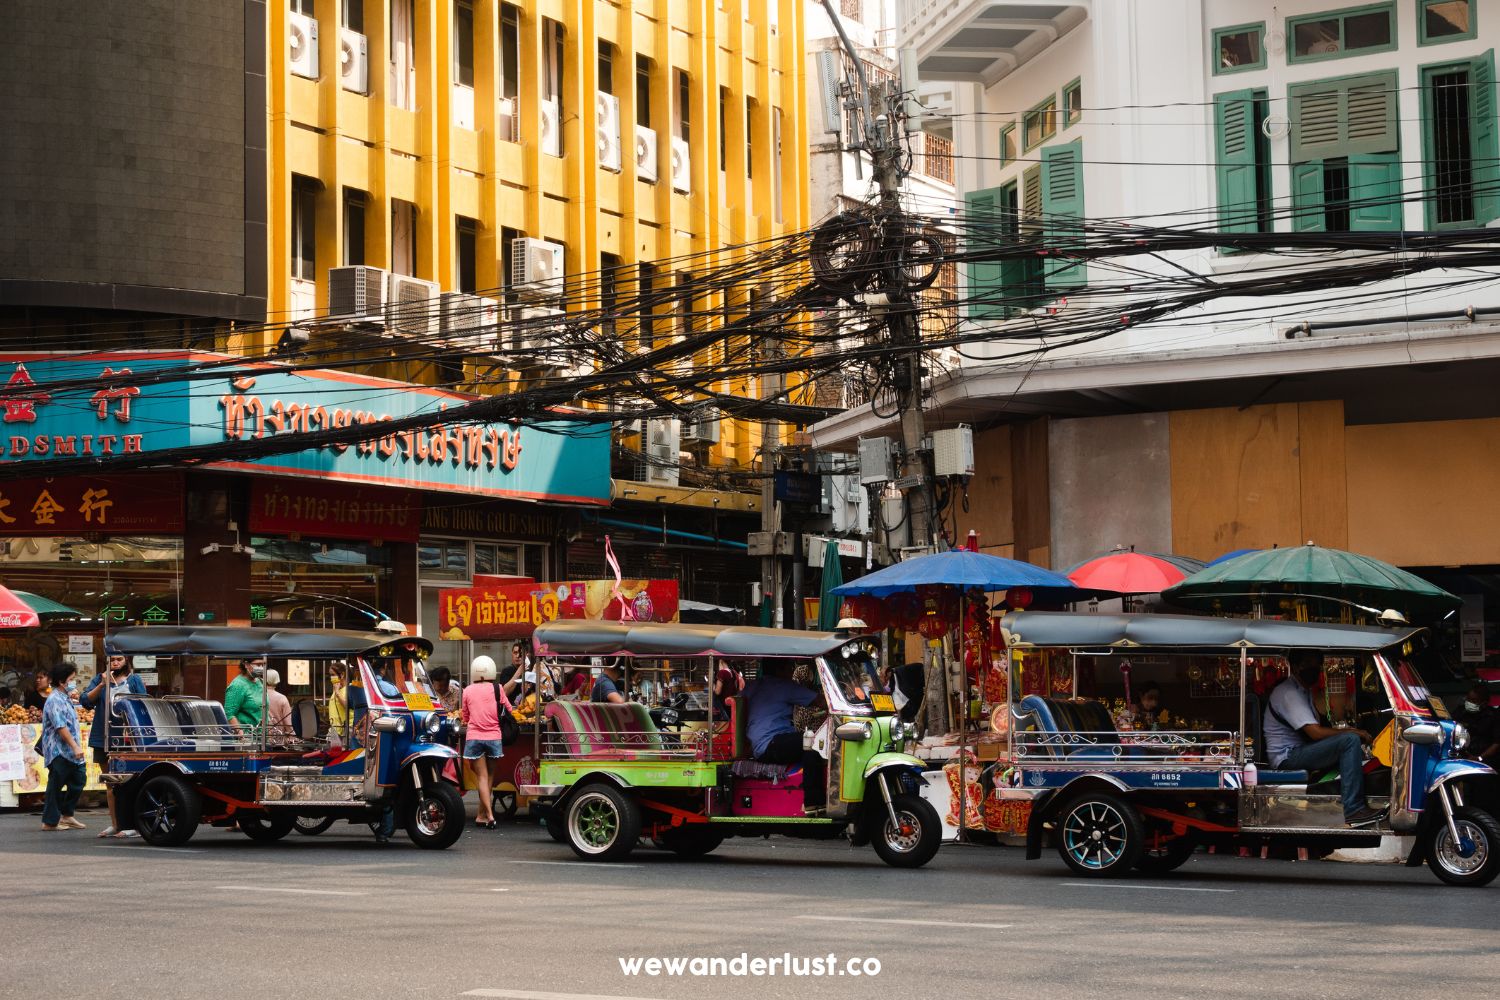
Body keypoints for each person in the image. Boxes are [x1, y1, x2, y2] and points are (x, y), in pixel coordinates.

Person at [1264, 651, 1381, 826]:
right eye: (1307, 664)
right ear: (1295, 667)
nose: (1314, 669)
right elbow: (1315, 733)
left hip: (1298, 751)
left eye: (1317, 665)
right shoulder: (1288, 693)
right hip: (1287, 757)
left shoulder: (1304, 691)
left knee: (1353, 747)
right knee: (1349, 741)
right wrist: (1353, 732)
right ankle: (1354, 809)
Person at [741, 659, 825, 810]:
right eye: (790, 668)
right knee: (813, 741)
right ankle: (814, 801)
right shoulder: (784, 685)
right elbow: (821, 701)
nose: (791, 672)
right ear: (780, 669)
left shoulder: (753, 686)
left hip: (758, 744)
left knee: (806, 740)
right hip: (771, 743)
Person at [80, 655, 146, 838]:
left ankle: (133, 825)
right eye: (112, 660)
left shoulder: (134, 680)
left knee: (129, 782)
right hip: (104, 737)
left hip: (127, 739)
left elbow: (143, 704)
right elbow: (85, 701)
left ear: (127, 661)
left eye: (119, 659)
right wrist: (102, 684)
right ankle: (116, 824)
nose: (115, 663)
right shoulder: (99, 679)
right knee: (111, 783)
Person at [461, 655, 511, 829]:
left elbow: (465, 716)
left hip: (474, 737)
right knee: (489, 777)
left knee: (481, 777)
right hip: (494, 738)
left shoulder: (467, 690)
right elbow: (509, 709)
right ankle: (486, 814)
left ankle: (485, 815)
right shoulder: (498, 688)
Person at [40, 663, 87, 832]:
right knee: (55, 784)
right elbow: (60, 727)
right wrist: (75, 746)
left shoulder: (65, 697)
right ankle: (50, 822)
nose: (74, 682)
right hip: (58, 750)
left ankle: (67, 815)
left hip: (70, 750)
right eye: (71, 679)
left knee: (79, 779)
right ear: (61, 681)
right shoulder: (54, 700)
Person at [1456, 682, 1500, 769]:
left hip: (1484, 764)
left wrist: (1479, 758)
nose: (1469, 703)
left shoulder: (1493, 717)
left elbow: (1497, 743)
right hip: (1459, 759)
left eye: (1474, 701)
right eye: (1468, 699)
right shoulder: (1460, 712)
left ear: (1484, 703)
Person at [224, 656, 266, 735]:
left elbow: (263, 708)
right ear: (246, 664)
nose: (261, 668)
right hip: (248, 739)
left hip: (263, 737)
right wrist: (240, 733)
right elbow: (229, 713)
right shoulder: (237, 685)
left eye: (263, 665)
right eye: (258, 664)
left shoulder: (260, 682)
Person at [326, 663, 351, 746]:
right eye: (330, 675)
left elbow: (347, 706)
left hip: (346, 730)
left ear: (342, 675)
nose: (331, 677)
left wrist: (337, 693)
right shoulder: (336, 690)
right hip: (335, 729)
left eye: (333, 674)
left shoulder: (349, 689)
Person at [263, 668, 293, 740]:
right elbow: (288, 722)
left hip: (260, 737)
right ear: (277, 680)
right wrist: (293, 737)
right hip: (278, 739)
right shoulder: (282, 698)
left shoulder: (257, 696)